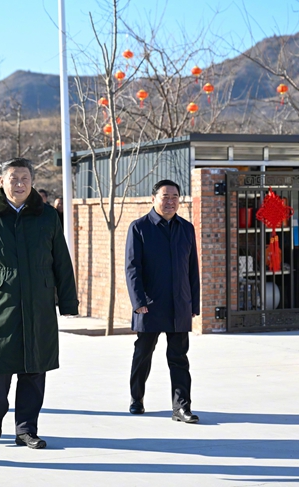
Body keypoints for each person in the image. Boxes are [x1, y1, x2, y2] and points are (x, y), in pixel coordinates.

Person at [0, 158, 78, 449]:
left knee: (34, 368)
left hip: (39, 302)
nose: (19, 184)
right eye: (13, 178)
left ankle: (26, 428)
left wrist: (68, 301)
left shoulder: (47, 216)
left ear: (32, 182)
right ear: (1, 182)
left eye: (25, 178)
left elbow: (61, 261)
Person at [125, 179, 200, 423]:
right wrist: (138, 301)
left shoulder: (186, 228)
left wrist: (193, 303)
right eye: (165, 196)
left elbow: (192, 269)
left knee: (179, 358)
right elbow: (132, 268)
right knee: (143, 354)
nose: (170, 201)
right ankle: (137, 398)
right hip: (149, 305)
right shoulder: (139, 228)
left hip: (179, 304)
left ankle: (181, 408)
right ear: (153, 198)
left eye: (174, 197)